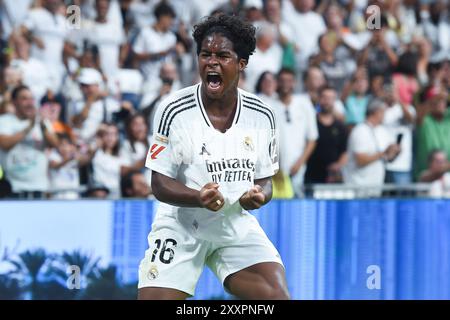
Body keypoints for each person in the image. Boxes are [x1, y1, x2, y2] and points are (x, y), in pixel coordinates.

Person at [138, 14, 289, 300]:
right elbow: (158, 184)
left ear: (241, 64)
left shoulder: (263, 114)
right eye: (205, 54)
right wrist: (198, 198)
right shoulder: (172, 109)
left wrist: (258, 196)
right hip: (182, 224)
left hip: (234, 223)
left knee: (276, 296)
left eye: (223, 55)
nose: (212, 62)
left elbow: (266, 182)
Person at [0, 85, 59, 198]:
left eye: (31, 99)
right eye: (24, 99)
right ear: (14, 102)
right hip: (13, 189)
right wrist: (29, 127)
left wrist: (41, 124)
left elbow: (55, 144)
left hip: (39, 188)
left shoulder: (43, 123)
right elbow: (4, 144)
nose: (29, 103)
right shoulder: (4, 121)